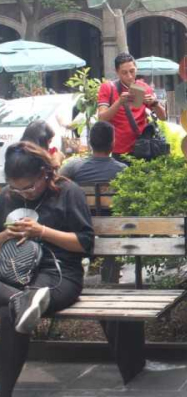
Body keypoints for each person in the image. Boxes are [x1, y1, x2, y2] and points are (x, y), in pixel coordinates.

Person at [0, 142, 94, 397]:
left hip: (58, 271)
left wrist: (41, 232)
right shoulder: (7, 196)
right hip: (12, 271)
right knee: (15, 308)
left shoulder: (67, 191)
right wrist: (6, 235)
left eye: (29, 186)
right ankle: (24, 300)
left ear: (44, 172)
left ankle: (28, 299)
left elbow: (85, 244)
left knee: (8, 316)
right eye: (16, 187)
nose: (24, 193)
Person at [97, 53, 166, 163]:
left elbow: (163, 117)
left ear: (136, 69)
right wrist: (119, 102)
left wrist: (155, 103)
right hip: (119, 151)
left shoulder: (144, 87)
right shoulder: (108, 87)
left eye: (132, 71)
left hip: (143, 147)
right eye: (124, 73)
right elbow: (101, 118)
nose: (129, 76)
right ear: (117, 72)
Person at [59, 122, 127, 185]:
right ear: (113, 144)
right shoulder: (123, 170)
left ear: (90, 142)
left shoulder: (73, 166)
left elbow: (56, 181)